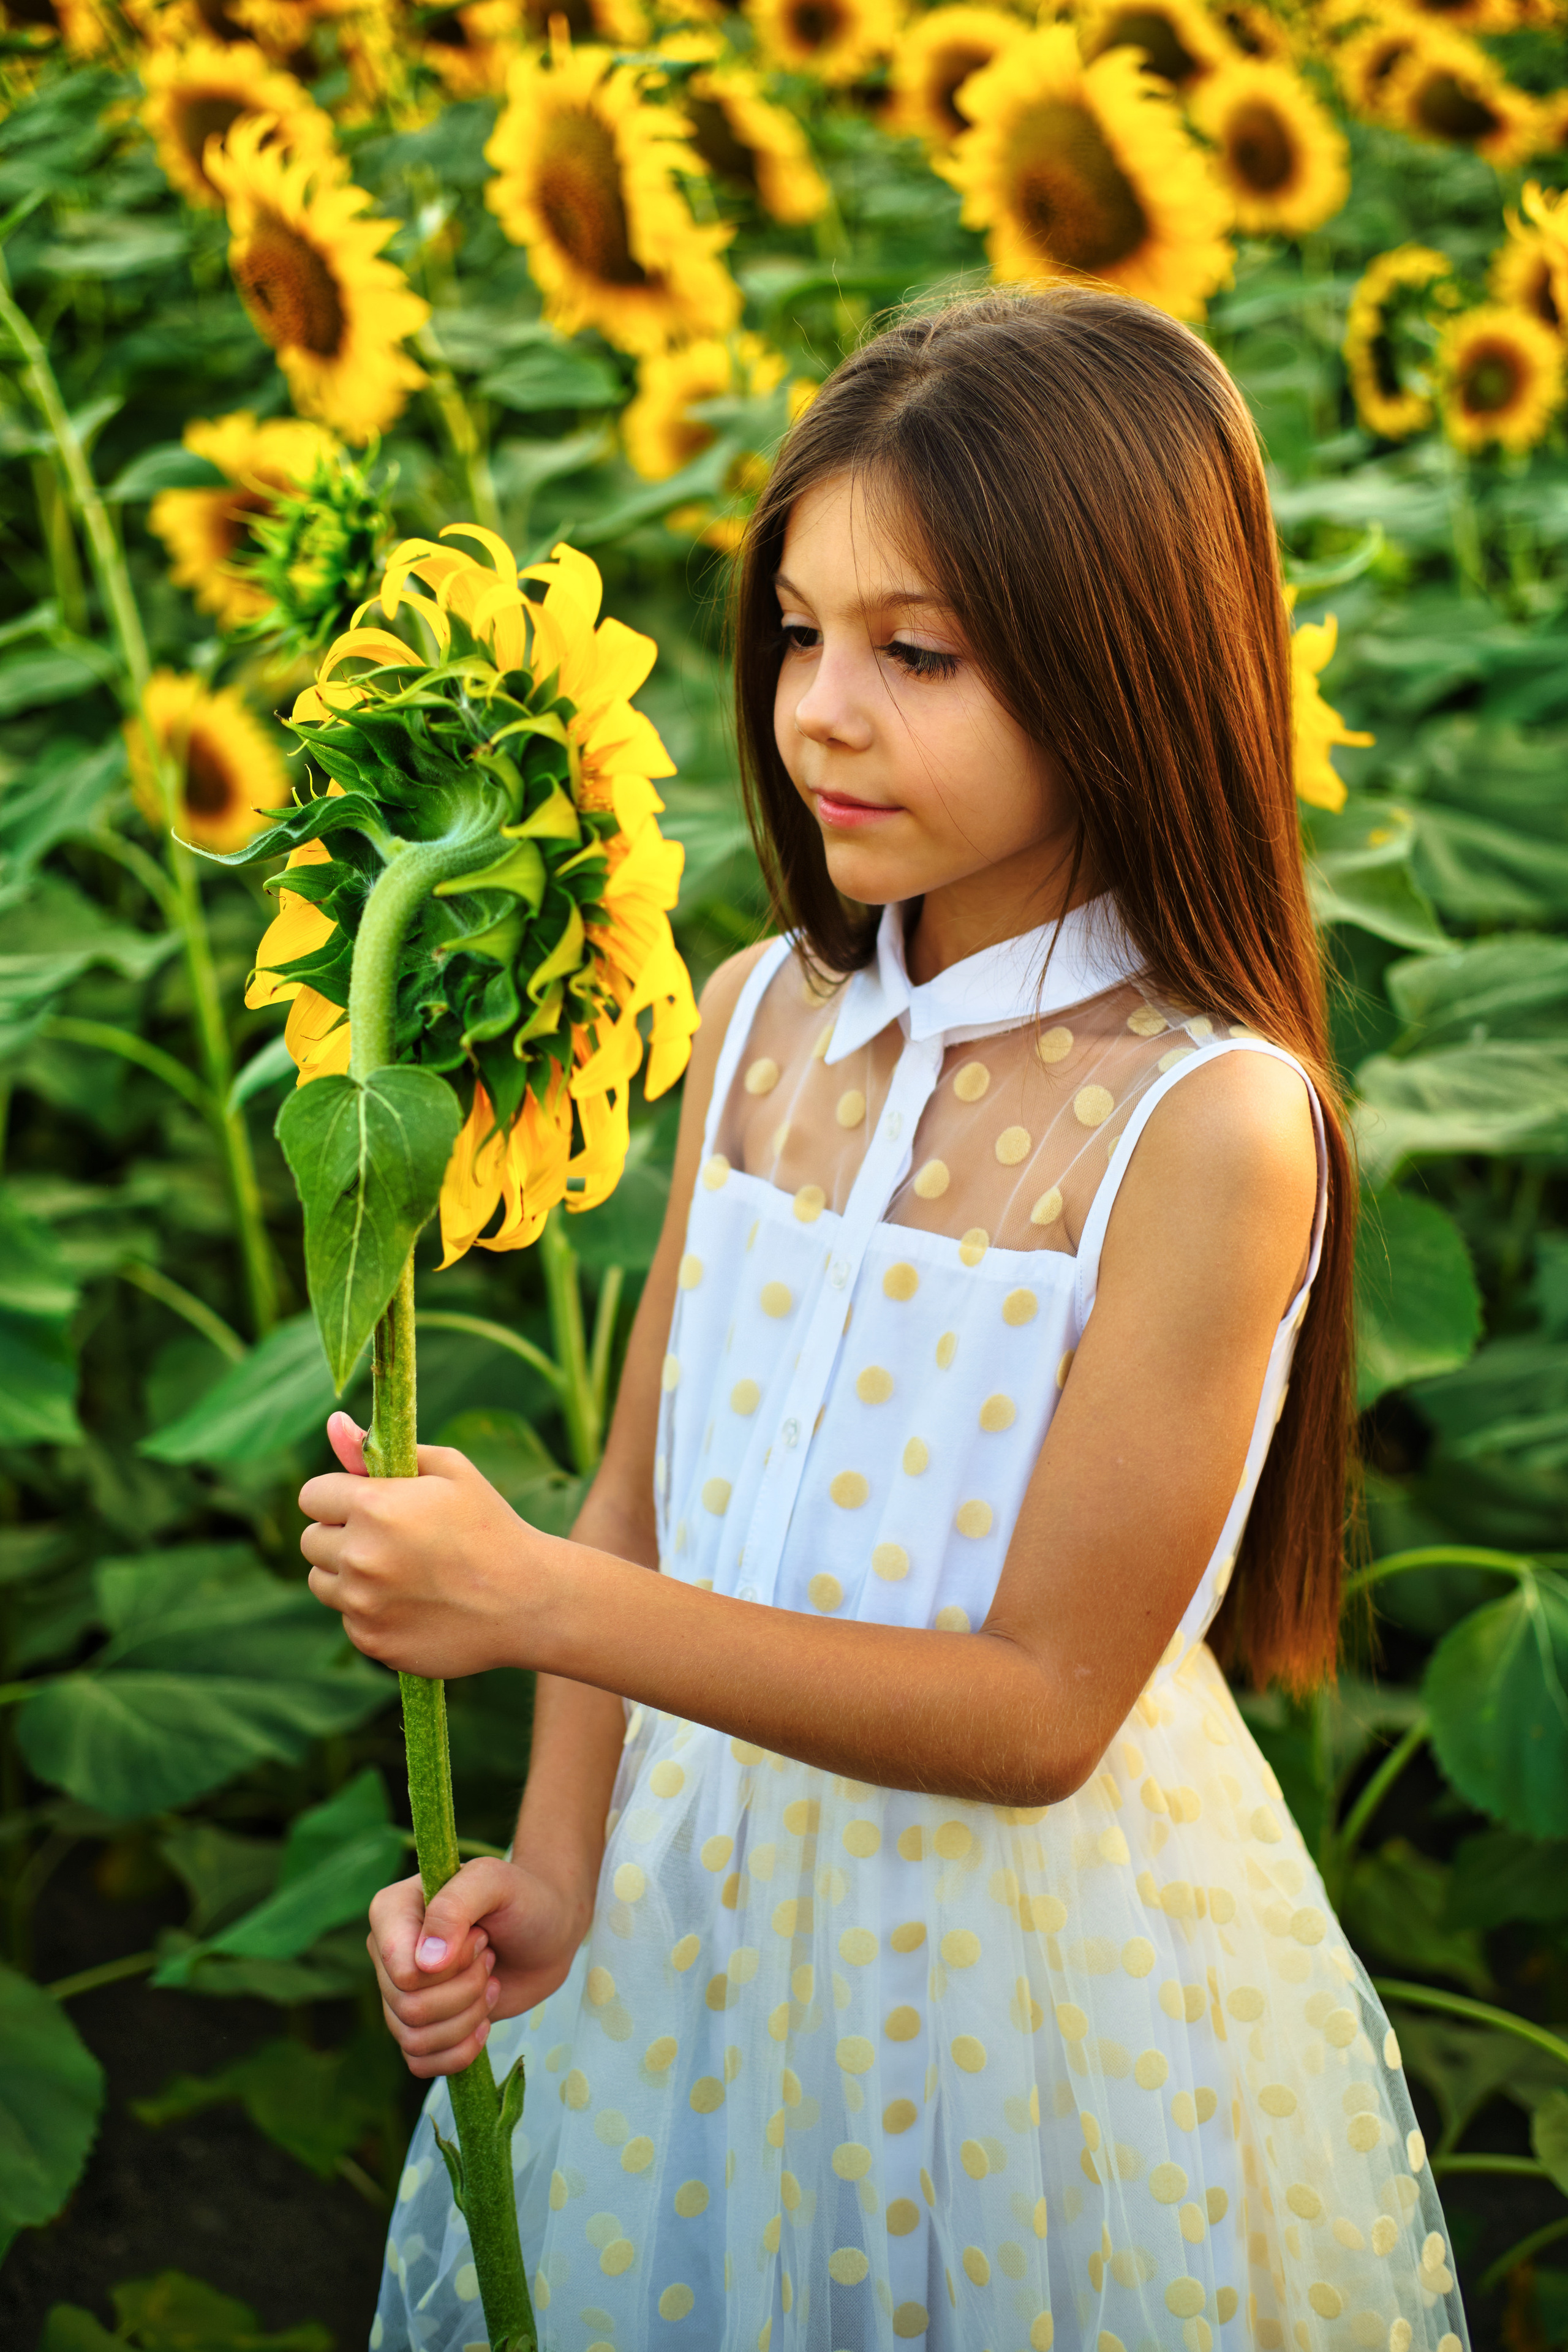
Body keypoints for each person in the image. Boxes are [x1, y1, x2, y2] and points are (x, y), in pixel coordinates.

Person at [300, 287, 1469, 2352]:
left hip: (1024, 1996)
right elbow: (641, 1494)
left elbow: (1033, 1716)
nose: (820, 712)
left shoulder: (1204, 1121)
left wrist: (527, 1604)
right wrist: (558, 1869)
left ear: (1129, 670)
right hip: (689, 1934)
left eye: (915, 653)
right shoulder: (760, 1018)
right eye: (799, 635)